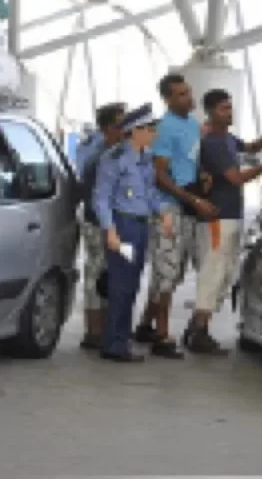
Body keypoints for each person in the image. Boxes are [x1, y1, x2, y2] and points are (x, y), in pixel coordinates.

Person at [185, 88, 262, 354]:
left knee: (223, 271)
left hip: (230, 215)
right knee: (214, 272)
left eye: (230, 108)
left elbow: (251, 148)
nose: (229, 113)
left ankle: (197, 327)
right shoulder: (214, 143)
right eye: (224, 109)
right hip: (219, 218)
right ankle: (199, 331)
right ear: (209, 111)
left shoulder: (226, 138)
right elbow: (236, 178)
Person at [134, 73, 218, 359]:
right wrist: (191, 198)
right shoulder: (166, 128)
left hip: (185, 203)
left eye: (188, 91)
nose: (189, 97)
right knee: (167, 270)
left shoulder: (193, 126)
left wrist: (201, 176)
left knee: (171, 269)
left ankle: (146, 323)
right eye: (181, 94)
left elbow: (188, 163)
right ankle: (162, 336)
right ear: (167, 99)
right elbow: (159, 174)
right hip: (167, 206)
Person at [94, 103, 173, 363]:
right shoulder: (114, 159)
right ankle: (114, 344)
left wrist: (163, 211)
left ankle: (121, 340)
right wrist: (110, 230)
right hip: (123, 225)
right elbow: (101, 198)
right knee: (120, 286)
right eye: (150, 129)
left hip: (139, 226)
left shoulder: (145, 159)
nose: (155, 134)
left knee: (131, 285)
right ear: (135, 131)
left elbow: (149, 193)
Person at [77, 103, 127, 350]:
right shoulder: (101, 157)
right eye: (122, 124)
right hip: (99, 224)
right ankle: (94, 331)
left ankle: (101, 329)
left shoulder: (110, 153)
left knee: (104, 276)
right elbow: (97, 197)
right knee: (97, 275)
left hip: (105, 223)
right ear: (109, 128)